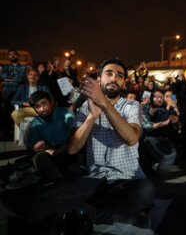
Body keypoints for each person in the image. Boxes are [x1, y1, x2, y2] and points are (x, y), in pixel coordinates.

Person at [67, 58, 155, 227]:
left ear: (124, 84)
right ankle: (117, 216)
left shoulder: (132, 106)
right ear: (99, 80)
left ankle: (97, 215)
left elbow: (131, 138)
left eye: (119, 76)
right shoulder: (85, 108)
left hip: (128, 180)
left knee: (146, 189)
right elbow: (72, 148)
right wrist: (91, 117)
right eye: (109, 73)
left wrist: (104, 104)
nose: (114, 78)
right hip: (96, 180)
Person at [27, 90, 74, 181]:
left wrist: (57, 151)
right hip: (51, 152)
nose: (42, 109)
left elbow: (75, 136)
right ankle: (56, 180)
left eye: (44, 104)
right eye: (37, 107)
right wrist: (35, 148)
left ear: (51, 103)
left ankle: (57, 181)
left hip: (70, 148)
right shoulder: (35, 123)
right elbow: (30, 149)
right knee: (37, 158)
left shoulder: (65, 113)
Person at [1, 49, 27, 135]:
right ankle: (7, 132)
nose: (12, 56)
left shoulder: (23, 67)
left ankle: (19, 133)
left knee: (19, 111)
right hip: (7, 91)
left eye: (14, 54)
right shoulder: (5, 66)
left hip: (18, 92)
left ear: (17, 56)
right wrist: (15, 77)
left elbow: (20, 78)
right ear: (8, 56)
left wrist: (8, 78)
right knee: (7, 111)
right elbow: (3, 76)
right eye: (10, 55)